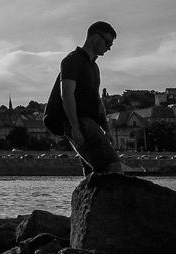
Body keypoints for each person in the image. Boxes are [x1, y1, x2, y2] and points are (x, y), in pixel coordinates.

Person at [45, 21, 125, 175]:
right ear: (95, 38)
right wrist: (75, 128)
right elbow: (66, 94)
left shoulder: (94, 67)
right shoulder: (72, 60)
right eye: (107, 42)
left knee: (94, 172)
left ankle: (91, 191)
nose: (109, 48)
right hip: (80, 122)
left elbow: (96, 100)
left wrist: (106, 129)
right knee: (112, 166)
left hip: (88, 123)